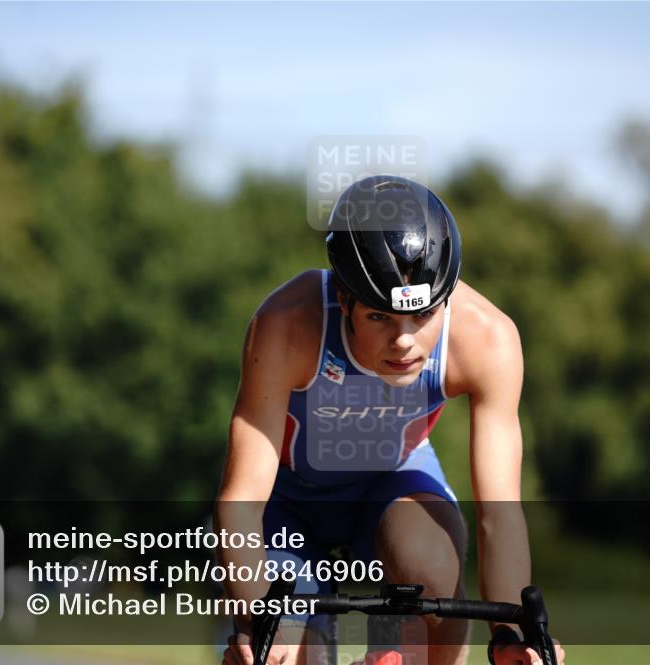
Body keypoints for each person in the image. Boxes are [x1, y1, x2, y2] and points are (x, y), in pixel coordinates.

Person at [215, 175, 566, 665]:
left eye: (422, 316)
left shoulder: (487, 338)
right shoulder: (287, 323)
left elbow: (499, 513)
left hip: (394, 486)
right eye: (380, 317)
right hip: (286, 503)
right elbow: (240, 503)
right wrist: (258, 626)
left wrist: (511, 637)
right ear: (344, 299)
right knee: (291, 653)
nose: (404, 342)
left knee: (430, 564)